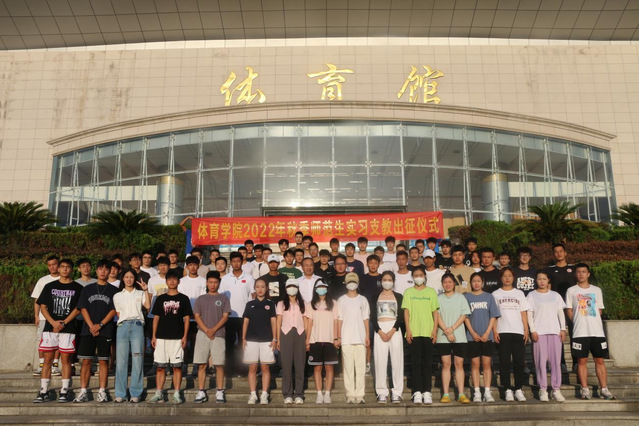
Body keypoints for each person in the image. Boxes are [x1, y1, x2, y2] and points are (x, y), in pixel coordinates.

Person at [33, 259, 83, 403]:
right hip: (51, 328)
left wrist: (64, 322)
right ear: (59, 269)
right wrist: (53, 322)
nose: (65, 269)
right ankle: (44, 391)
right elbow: (43, 306)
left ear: (72, 269)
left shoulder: (78, 287)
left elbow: (78, 309)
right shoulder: (49, 286)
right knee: (47, 360)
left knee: (66, 360)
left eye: (68, 267)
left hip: (68, 328)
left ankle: (64, 390)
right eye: (62, 267)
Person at [566, 263, 615, 400]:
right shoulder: (571, 291)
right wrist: (578, 321)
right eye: (578, 272)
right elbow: (569, 310)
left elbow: (599, 310)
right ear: (575, 274)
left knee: (600, 360)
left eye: (584, 271)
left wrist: (592, 321)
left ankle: (604, 389)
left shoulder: (596, 290)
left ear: (588, 274)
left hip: (596, 332)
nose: (581, 274)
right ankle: (585, 389)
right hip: (580, 332)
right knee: (581, 361)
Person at [74, 259, 118, 403]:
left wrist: (100, 325)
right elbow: (83, 308)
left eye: (106, 269)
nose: (103, 271)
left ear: (109, 271)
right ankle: (83, 391)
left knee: (103, 361)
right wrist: (91, 325)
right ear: (96, 270)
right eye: (100, 269)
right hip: (88, 330)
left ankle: (102, 391)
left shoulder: (114, 290)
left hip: (105, 330)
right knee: (86, 361)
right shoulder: (87, 289)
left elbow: (113, 310)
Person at [148, 270, 193, 404]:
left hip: (177, 338)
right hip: (161, 337)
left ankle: (177, 393)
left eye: (174, 279)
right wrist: (154, 336)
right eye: (169, 279)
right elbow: (156, 318)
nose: (172, 281)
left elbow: (186, 319)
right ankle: (159, 393)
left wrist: (185, 336)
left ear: (178, 281)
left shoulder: (184, 298)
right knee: (160, 367)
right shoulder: (160, 298)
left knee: (177, 367)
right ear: (166, 281)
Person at [526, 270, 566, 403]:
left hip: (555, 332)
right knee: (540, 362)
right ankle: (542, 389)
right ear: (536, 281)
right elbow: (529, 314)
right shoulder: (531, 295)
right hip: (539, 333)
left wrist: (563, 328)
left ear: (548, 280)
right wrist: (532, 330)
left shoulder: (555, 295)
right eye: (539, 279)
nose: (542, 281)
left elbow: (560, 312)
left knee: (555, 362)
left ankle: (556, 389)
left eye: (544, 279)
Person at [113, 268, 151, 403]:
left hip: (137, 326)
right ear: (123, 279)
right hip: (122, 326)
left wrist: (146, 290)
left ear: (135, 279)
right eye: (126, 277)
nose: (129, 279)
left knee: (137, 359)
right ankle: (120, 393)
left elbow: (147, 306)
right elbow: (119, 314)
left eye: (131, 277)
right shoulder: (117, 296)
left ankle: (135, 393)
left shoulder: (140, 293)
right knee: (121, 360)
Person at [492, 266, 530, 402]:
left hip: (518, 331)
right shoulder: (495, 294)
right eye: (504, 276)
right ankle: (507, 389)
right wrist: (494, 330)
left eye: (509, 276)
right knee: (504, 362)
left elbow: (523, 312)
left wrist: (526, 329)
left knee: (519, 362)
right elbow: (494, 315)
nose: (507, 278)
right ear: (500, 278)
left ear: (513, 278)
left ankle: (518, 389)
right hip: (502, 331)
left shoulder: (519, 293)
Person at [402, 265, 439, 404]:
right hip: (414, 332)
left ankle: (427, 391)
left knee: (427, 363)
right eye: (416, 275)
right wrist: (408, 330)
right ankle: (417, 391)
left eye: (421, 275)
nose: (418, 277)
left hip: (428, 332)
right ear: (413, 277)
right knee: (416, 363)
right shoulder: (408, 292)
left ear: (425, 277)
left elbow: (435, 312)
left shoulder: (431, 292)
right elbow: (406, 312)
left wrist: (435, 330)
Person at [193, 271, 231, 404]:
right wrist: (206, 330)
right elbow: (197, 316)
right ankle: (201, 391)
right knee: (202, 364)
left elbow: (225, 316)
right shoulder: (200, 299)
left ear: (219, 283)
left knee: (219, 364)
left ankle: (220, 390)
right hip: (202, 334)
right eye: (210, 282)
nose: (213, 284)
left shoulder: (224, 298)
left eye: (215, 282)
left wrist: (214, 329)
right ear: (206, 283)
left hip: (218, 334)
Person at [464, 272, 500, 403]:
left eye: (478, 281)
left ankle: (487, 391)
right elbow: (465, 317)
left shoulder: (489, 297)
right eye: (474, 281)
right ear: (471, 283)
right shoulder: (467, 297)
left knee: (486, 364)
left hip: (487, 336)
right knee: (475, 364)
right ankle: (477, 391)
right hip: (472, 336)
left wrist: (487, 333)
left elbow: (493, 316)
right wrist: (473, 333)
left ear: (482, 282)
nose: (476, 283)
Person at [437, 272, 472, 404]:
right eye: (445, 282)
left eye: (450, 282)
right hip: (443, 336)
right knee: (446, 364)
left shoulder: (461, 297)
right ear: (442, 284)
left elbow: (464, 315)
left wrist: (452, 329)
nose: (447, 284)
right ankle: (445, 393)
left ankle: (461, 393)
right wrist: (447, 332)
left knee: (459, 364)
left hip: (459, 336)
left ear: (454, 284)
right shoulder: (438, 298)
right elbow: (437, 316)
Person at [370, 271, 404, 404]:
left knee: (397, 361)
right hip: (380, 329)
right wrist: (379, 331)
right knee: (380, 361)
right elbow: (373, 316)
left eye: (389, 279)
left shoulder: (399, 296)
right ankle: (382, 392)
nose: (387, 282)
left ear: (393, 281)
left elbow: (401, 315)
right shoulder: (375, 297)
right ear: (381, 281)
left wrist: (393, 330)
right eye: (385, 279)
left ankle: (397, 392)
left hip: (394, 329)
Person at [219, 251, 255, 377]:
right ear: (231, 263)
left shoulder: (249, 278)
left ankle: (242, 369)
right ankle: (229, 370)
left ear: (241, 262)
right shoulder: (225, 279)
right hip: (228, 316)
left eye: (238, 261)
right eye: (233, 261)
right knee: (228, 344)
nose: (236, 264)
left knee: (242, 345)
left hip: (244, 317)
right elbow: (222, 297)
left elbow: (253, 296)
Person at [242, 278, 277, 405]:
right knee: (252, 367)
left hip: (266, 340)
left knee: (265, 367)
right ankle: (253, 394)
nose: (260, 289)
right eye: (258, 286)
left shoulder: (271, 304)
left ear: (266, 288)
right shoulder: (249, 304)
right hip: (251, 339)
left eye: (263, 286)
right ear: (254, 288)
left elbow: (274, 322)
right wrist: (243, 338)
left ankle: (264, 394)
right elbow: (246, 322)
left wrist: (274, 338)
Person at [337, 272, 370, 404]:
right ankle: (350, 394)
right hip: (346, 338)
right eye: (349, 282)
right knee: (348, 368)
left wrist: (367, 335)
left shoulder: (363, 300)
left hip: (360, 338)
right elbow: (339, 319)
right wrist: (338, 336)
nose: (352, 284)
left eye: (354, 282)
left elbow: (366, 318)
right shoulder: (341, 300)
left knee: (361, 369)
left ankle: (360, 394)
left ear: (358, 283)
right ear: (345, 283)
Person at [304, 279, 339, 404]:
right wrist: (307, 340)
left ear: (327, 288)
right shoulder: (311, 305)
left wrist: (336, 337)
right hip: (315, 340)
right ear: (315, 289)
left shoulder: (333, 303)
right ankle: (319, 393)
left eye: (324, 286)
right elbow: (309, 323)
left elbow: (336, 321)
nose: (321, 289)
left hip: (330, 340)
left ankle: (327, 393)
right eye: (319, 287)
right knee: (317, 367)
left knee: (329, 367)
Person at [276, 279, 307, 404]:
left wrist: (306, 337)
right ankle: (287, 393)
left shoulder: (303, 304)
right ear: (286, 288)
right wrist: (278, 338)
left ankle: (299, 393)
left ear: (298, 288)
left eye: (294, 286)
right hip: (285, 333)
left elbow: (305, 321)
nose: (292, 288)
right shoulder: (281, 304)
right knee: (286, 365)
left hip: (300, 333)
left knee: (300, 365)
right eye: (289, 286)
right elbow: (278, 321)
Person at [31, 255, 61, 376]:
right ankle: (41, 365)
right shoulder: (42, 280)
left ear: (58, 265)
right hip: (44, 317)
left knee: (58, 341)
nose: (52, 267)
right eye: (49, 265)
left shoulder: (64, 280)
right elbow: (37, 300)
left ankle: (55, 365)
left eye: (54, 264)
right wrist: (36, 315)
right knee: (42, 341)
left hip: (59, 317)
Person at [179, 255, 207, 375]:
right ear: (187, 267)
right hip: (184, 317)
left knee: (197, 342)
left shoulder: (203, 281)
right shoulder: (182, 281)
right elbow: (181, 298)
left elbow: (203, 298)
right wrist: (186, 313)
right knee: (184, 341)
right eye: (190, 265)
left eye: (195, 265)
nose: (193, 267)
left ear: (198, 266)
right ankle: (184, 363)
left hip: (198, 317)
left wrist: (196, 314)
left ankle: (196, 364)